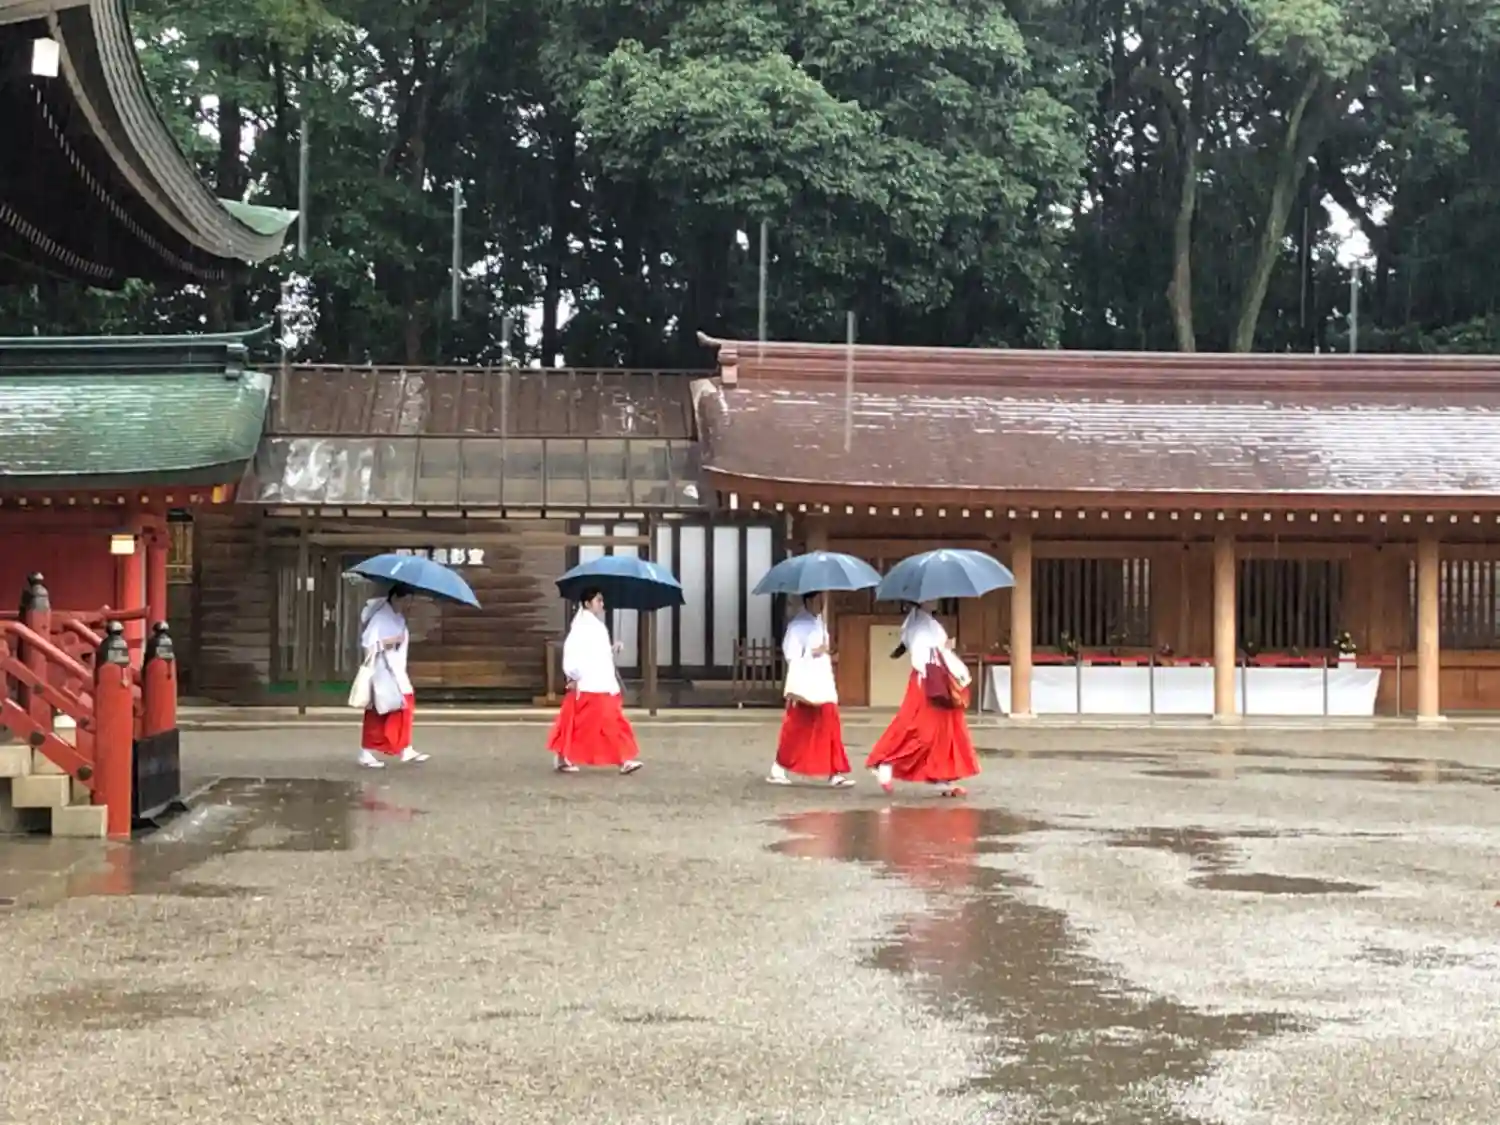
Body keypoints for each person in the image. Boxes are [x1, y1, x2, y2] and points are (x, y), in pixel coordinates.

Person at [864, 601, 979, 797]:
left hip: (933, 678)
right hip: (928, 681)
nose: (936, 600)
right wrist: (943, 649)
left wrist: (943, 648)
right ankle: (886, 761)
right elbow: (922, 657)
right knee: (920, 729)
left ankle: (942, 776)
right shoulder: (919, 626)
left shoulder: (922, 622)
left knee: (944, 728)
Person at [547, 588, 644, 775]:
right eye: (598, 600)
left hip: (598, 683)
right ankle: (622, 760)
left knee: (594, 721)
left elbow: (595, 653)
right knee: (602, 722)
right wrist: (573, 675)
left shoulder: (592, 626)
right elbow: (573, 652)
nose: (601, 604)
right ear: (587, 603)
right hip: (590, 684)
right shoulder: (582, 627)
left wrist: (612, 648)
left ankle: (622, 760)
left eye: (601, 600)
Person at [769, 593, 853, 787]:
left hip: (822, 681)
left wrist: (826, 651)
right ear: (807, 601)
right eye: (817, 601)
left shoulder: (820, 623)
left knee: (830, 723)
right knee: (796, 726)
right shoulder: (797, 626)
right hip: (805, 681)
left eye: (822, 601)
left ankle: (835, 771)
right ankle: (779, 766)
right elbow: (791, 654)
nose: (820, 605)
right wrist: (811, 652)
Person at [358, 583, 429, 769]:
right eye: (405, 600)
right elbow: (368, 645)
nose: (407, 604)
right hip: (383, 672)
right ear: (396, 597)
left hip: (396, 670)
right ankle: (368, 751)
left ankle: (404, 747)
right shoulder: (380, 618)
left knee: (403, 707)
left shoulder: (397, 617)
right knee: (380, 712)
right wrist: (388, 642)